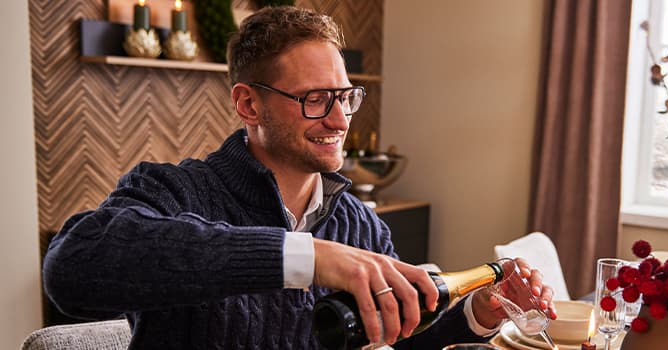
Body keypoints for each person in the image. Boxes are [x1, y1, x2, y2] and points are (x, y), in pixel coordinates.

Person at [42, 6, 555, 349]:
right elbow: (71, 268)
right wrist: (306, 257)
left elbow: (391, 336)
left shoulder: (360, 225)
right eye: (315, 100)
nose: (339, 121)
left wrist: (478, 316)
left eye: (345, 97)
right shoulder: (176, 191)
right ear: (248, 103)